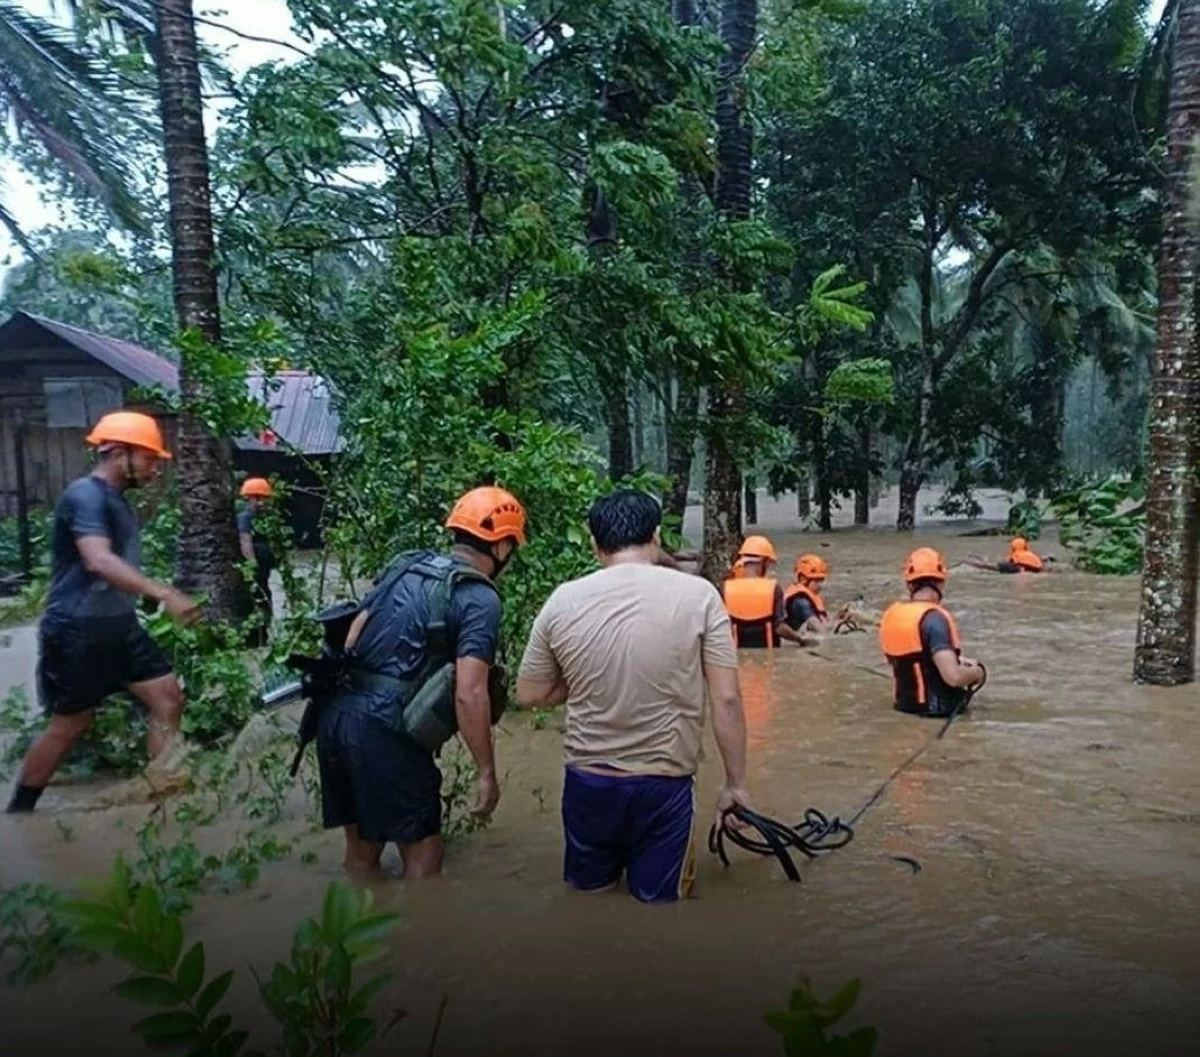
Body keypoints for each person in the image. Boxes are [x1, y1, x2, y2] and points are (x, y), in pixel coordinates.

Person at [515, 489, 751, 904]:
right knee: (660, 912)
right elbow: (727, 700)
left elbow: (530, 694)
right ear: (657, 537)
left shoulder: (561, 601)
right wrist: (735, 784)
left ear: (594, 543)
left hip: (588, 784)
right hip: (663, 790)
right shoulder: (700, 596)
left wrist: (587, 677)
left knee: (589, 905)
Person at [313, 486, 525, 878]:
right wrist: (486, 773)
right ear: (502, 547)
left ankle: (352, 934)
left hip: (336, 717)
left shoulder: (404, 565)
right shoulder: (480, 598)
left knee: (361, 855)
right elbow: (470, 692)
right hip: (387, 732)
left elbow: (355, 630)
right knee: (423, 860)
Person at [6, 411, 201, 814]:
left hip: (119, 628)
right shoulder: (85, 496)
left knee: (168, 699)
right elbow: (98, 560)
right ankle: (21, 813)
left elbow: (119, 570)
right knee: (71, 723)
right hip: (77, 630)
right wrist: (165, 594)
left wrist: (146, 597)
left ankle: (161, 793)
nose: (154, 467)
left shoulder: (117, 503)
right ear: (117, 452)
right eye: (148, 458)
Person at [879, 547, 986, 719]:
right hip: (940, 713)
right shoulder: (934, 619)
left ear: (909, 584)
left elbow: (917, 657)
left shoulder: (892, 615)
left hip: (904, 709)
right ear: (942, 583)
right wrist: (978, 672)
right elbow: (954, 677)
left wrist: (958, 660)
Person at [722, 536, 808, 648]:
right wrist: (800, 639)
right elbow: (779, 628)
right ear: (765, 562)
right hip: (768, 656)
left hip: (736, 657)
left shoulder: (726, 588)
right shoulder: (773, 589)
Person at [237, 477, 276, 647]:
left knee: (265, 600)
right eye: (258, 498)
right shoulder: (245, 518)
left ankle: (263, 637)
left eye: (265, 499)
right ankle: (254, 639)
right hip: (255, 573)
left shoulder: (266, 520)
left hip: (264, 572)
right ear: (250, 499)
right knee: (257, 602)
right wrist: (252, 566)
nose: (262, 503)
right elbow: (245, 542)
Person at [784, 554, 830, 642]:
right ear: (803, 579)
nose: (820, 585)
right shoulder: (801, 602)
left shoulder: (811, 597)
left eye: (821, 580)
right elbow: (820, 629)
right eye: (816, 581)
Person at [965, 536, 1048, 574]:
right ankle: (975, 557)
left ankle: (969, 562)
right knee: (990, 564)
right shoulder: (1032, 555)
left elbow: (1012, 562)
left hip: (1016, 569)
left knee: (989, 566)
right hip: (1029, 570)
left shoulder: (1016, 555)